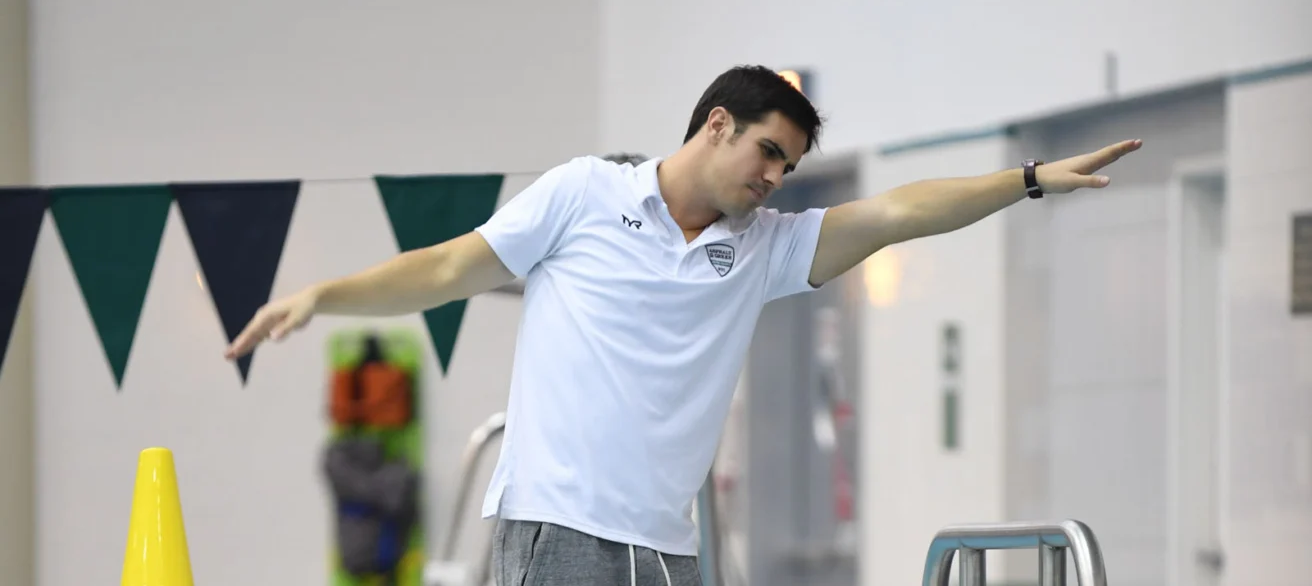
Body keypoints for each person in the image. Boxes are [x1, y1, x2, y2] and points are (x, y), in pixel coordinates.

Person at [226, 65, 1141, 585]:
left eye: (788, 166)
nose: (774, 177)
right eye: (767, 153)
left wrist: (1025, 182)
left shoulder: (765, 246)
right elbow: (445, 269)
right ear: (716, 125)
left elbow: (901, 211)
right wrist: (324, 295)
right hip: (560, 532)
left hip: (668, 547)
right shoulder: (585, 194)